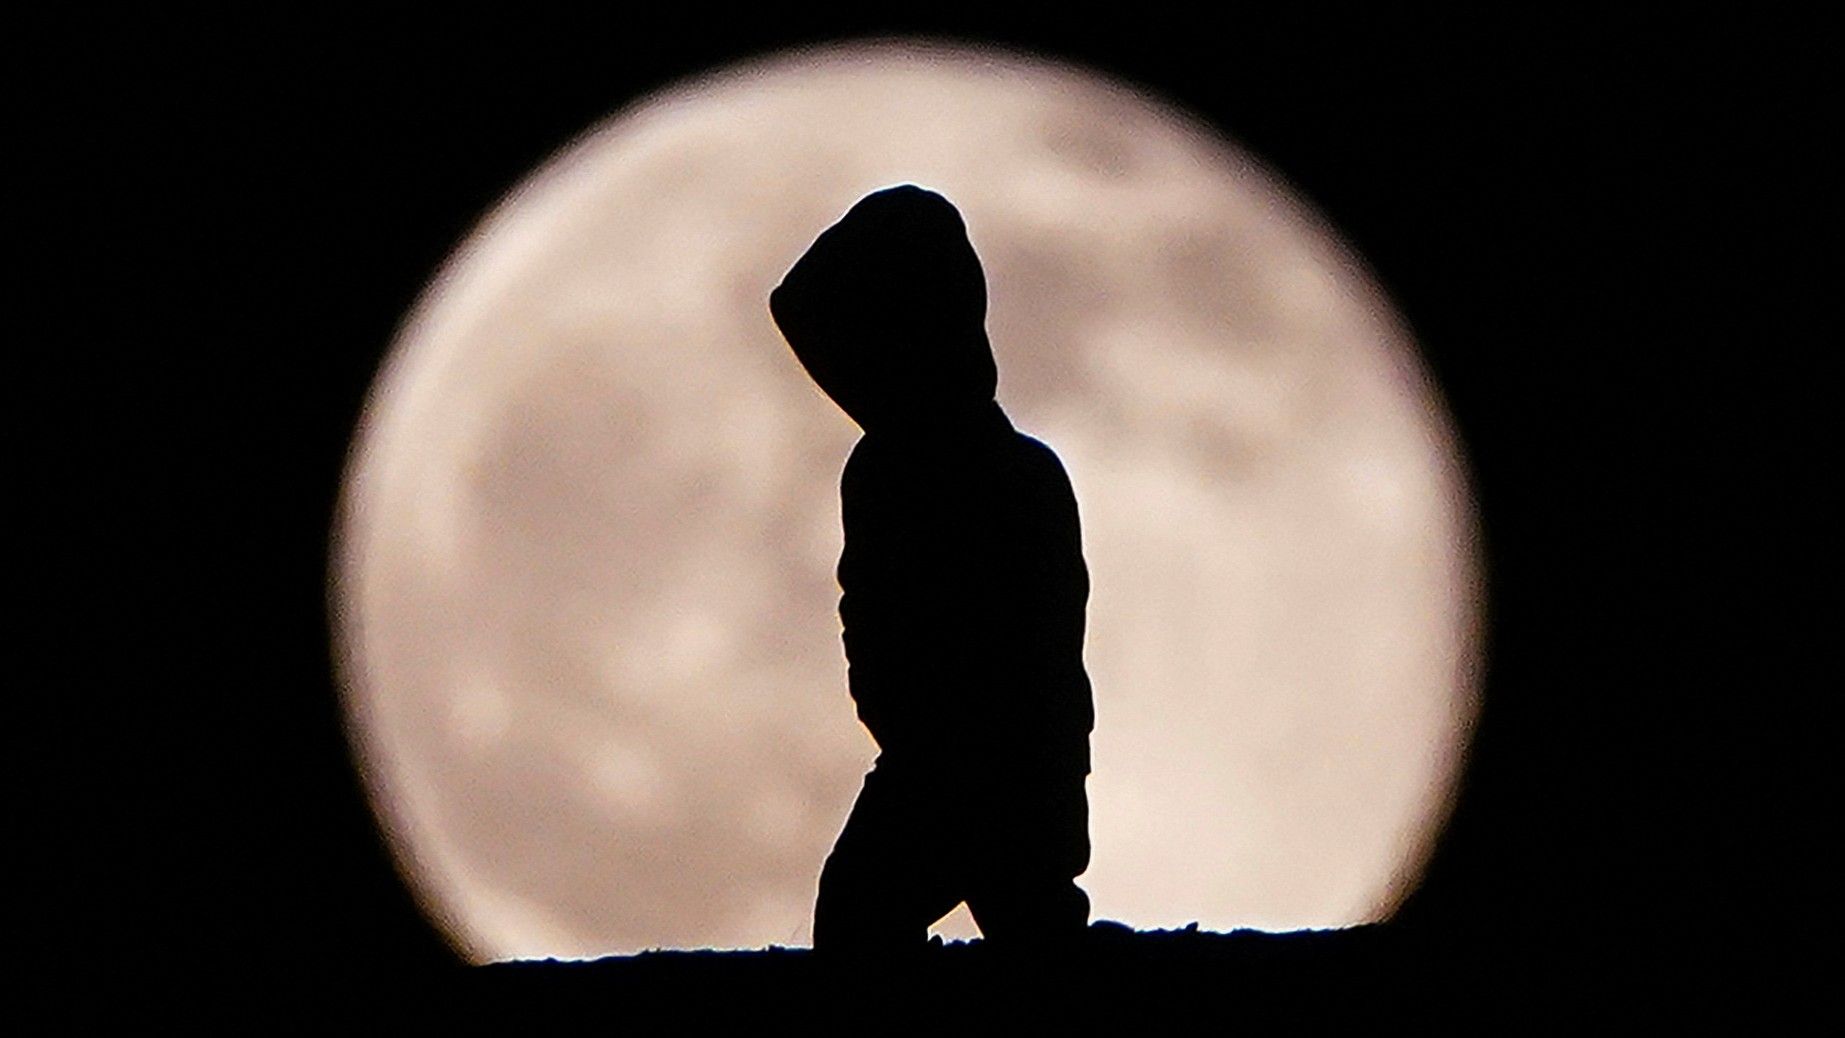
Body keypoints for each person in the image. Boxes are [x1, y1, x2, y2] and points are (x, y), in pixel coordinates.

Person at [769, 184, 1095, 953]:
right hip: (929, 760)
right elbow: (871, 611)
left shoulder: (1015, 475)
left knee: (995, 918)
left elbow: (1041, 649)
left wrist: (1022, 773)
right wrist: (892, 708)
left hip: (1001, 766)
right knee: (862, 913)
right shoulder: (880, 471)